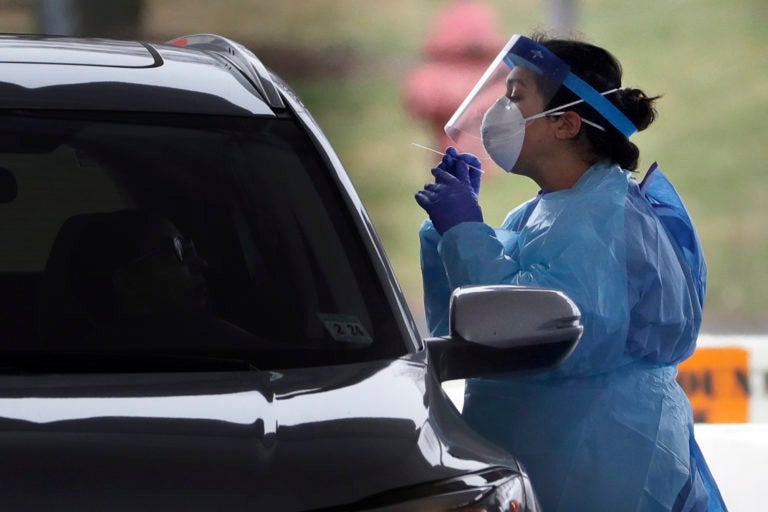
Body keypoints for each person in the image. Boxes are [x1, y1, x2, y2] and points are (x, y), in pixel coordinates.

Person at [414, 34, 726, 511]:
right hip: (560, 452)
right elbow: (469, 328)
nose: (498, 109)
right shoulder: (551, 210)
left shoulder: (602, 216)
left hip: (601, 458)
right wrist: (450, 233)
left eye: (516, 96)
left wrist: (465, 234)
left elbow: (545, 333)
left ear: (565, 123)